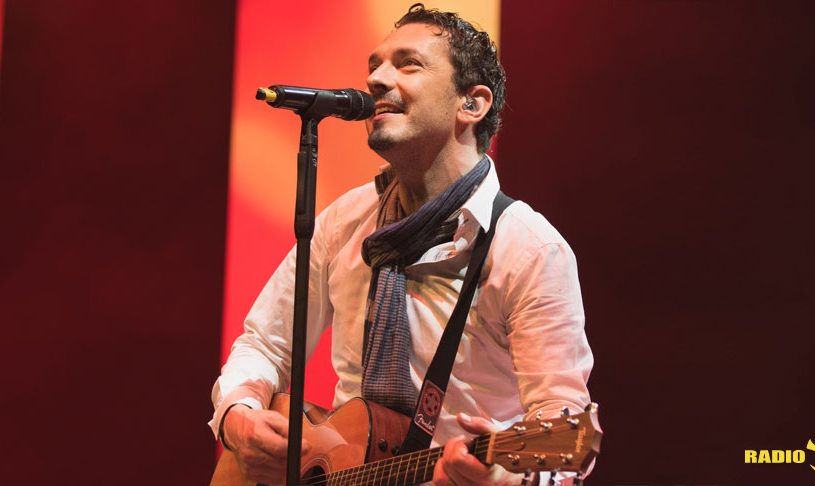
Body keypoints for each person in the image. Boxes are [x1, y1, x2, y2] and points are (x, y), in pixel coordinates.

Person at [209, 4, 594, 485]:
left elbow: (560, 443)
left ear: (472, 104)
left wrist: (499, 480)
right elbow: (264, 345)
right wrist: (238, 418)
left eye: (408, 64)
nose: (375, 80)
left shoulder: (530, 250)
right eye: (374, 66)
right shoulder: (345, 221)